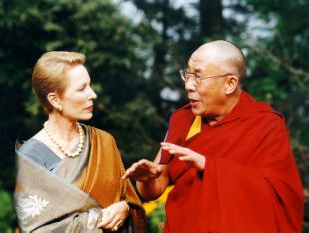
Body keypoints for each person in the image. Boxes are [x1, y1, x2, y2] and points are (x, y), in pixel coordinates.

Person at [123, 40, 304, 233]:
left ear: (230, 84)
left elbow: (280, 196)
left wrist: (209, 166)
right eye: (188, 74)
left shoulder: (266, 125)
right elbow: (154, 189)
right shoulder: (183, 119)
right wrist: (147, 179)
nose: (188, 85)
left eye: (198, 77)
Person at [14, 51, 146, 233]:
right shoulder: (31, 157)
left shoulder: (104, 142)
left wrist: (125, 208)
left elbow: (130, 201)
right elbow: (35, 228)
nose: (93, 94)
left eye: (90, 86)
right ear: (55, 100)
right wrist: (98, 219)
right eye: (82, 88)